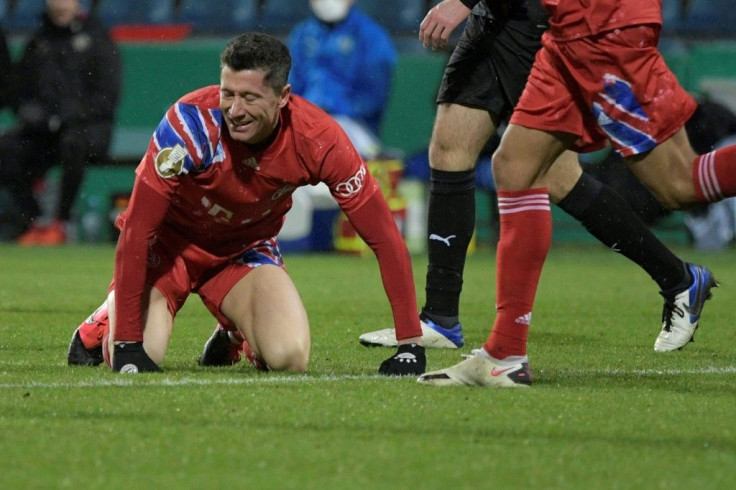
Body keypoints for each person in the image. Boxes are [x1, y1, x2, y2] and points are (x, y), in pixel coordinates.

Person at [360, 0, 715, 358]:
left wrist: (462, 2)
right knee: (449, 149)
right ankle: (439, 318)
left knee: (560, 178)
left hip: (537, 24)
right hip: (493, 18)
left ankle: (679, 279)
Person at [66, 32, 425, 376]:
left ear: (283, 96)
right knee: (141, 356)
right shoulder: (188, 124)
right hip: (168, 248)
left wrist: (410, 343)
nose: (235, 110)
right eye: (228, 93)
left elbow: (383, 237)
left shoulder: (318, 139)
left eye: (250, 97)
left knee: (289, 357)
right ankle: (106, 320)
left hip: (243, 251)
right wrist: (128, 343)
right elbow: (138, 230)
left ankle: (234, 330)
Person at [0, 0, 121, 245]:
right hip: (45, 132)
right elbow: (18, 90)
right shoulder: (39, 42)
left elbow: (107, 97)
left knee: (73, 142)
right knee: (6, 149)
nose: (59, 5)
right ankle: (33, 220)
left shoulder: (98, 39)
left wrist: (66, 115)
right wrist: (27, 110)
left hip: (89, 128)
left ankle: (61, 222)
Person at [287, 0, 397, 160]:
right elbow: (291, 88)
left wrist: (330, 113)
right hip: (303, 124)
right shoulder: (301, 35)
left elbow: (373, 97)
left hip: (354, 125)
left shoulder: (371, 36)